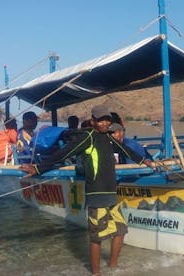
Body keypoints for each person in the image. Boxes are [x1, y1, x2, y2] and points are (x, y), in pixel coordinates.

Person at [19, 105, 153, 275]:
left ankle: (113, 267)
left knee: (120, 230)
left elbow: (125, 149)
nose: (104, 123)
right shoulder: (87, 137)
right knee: (96, 238)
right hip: (96, 195)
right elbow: (64, 153)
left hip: (111, 193)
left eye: (107, 120)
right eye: (101, 120)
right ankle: (95, 273)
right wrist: (38, 169)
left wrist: (143, 160)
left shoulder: (109, 138)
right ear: (93, 121)